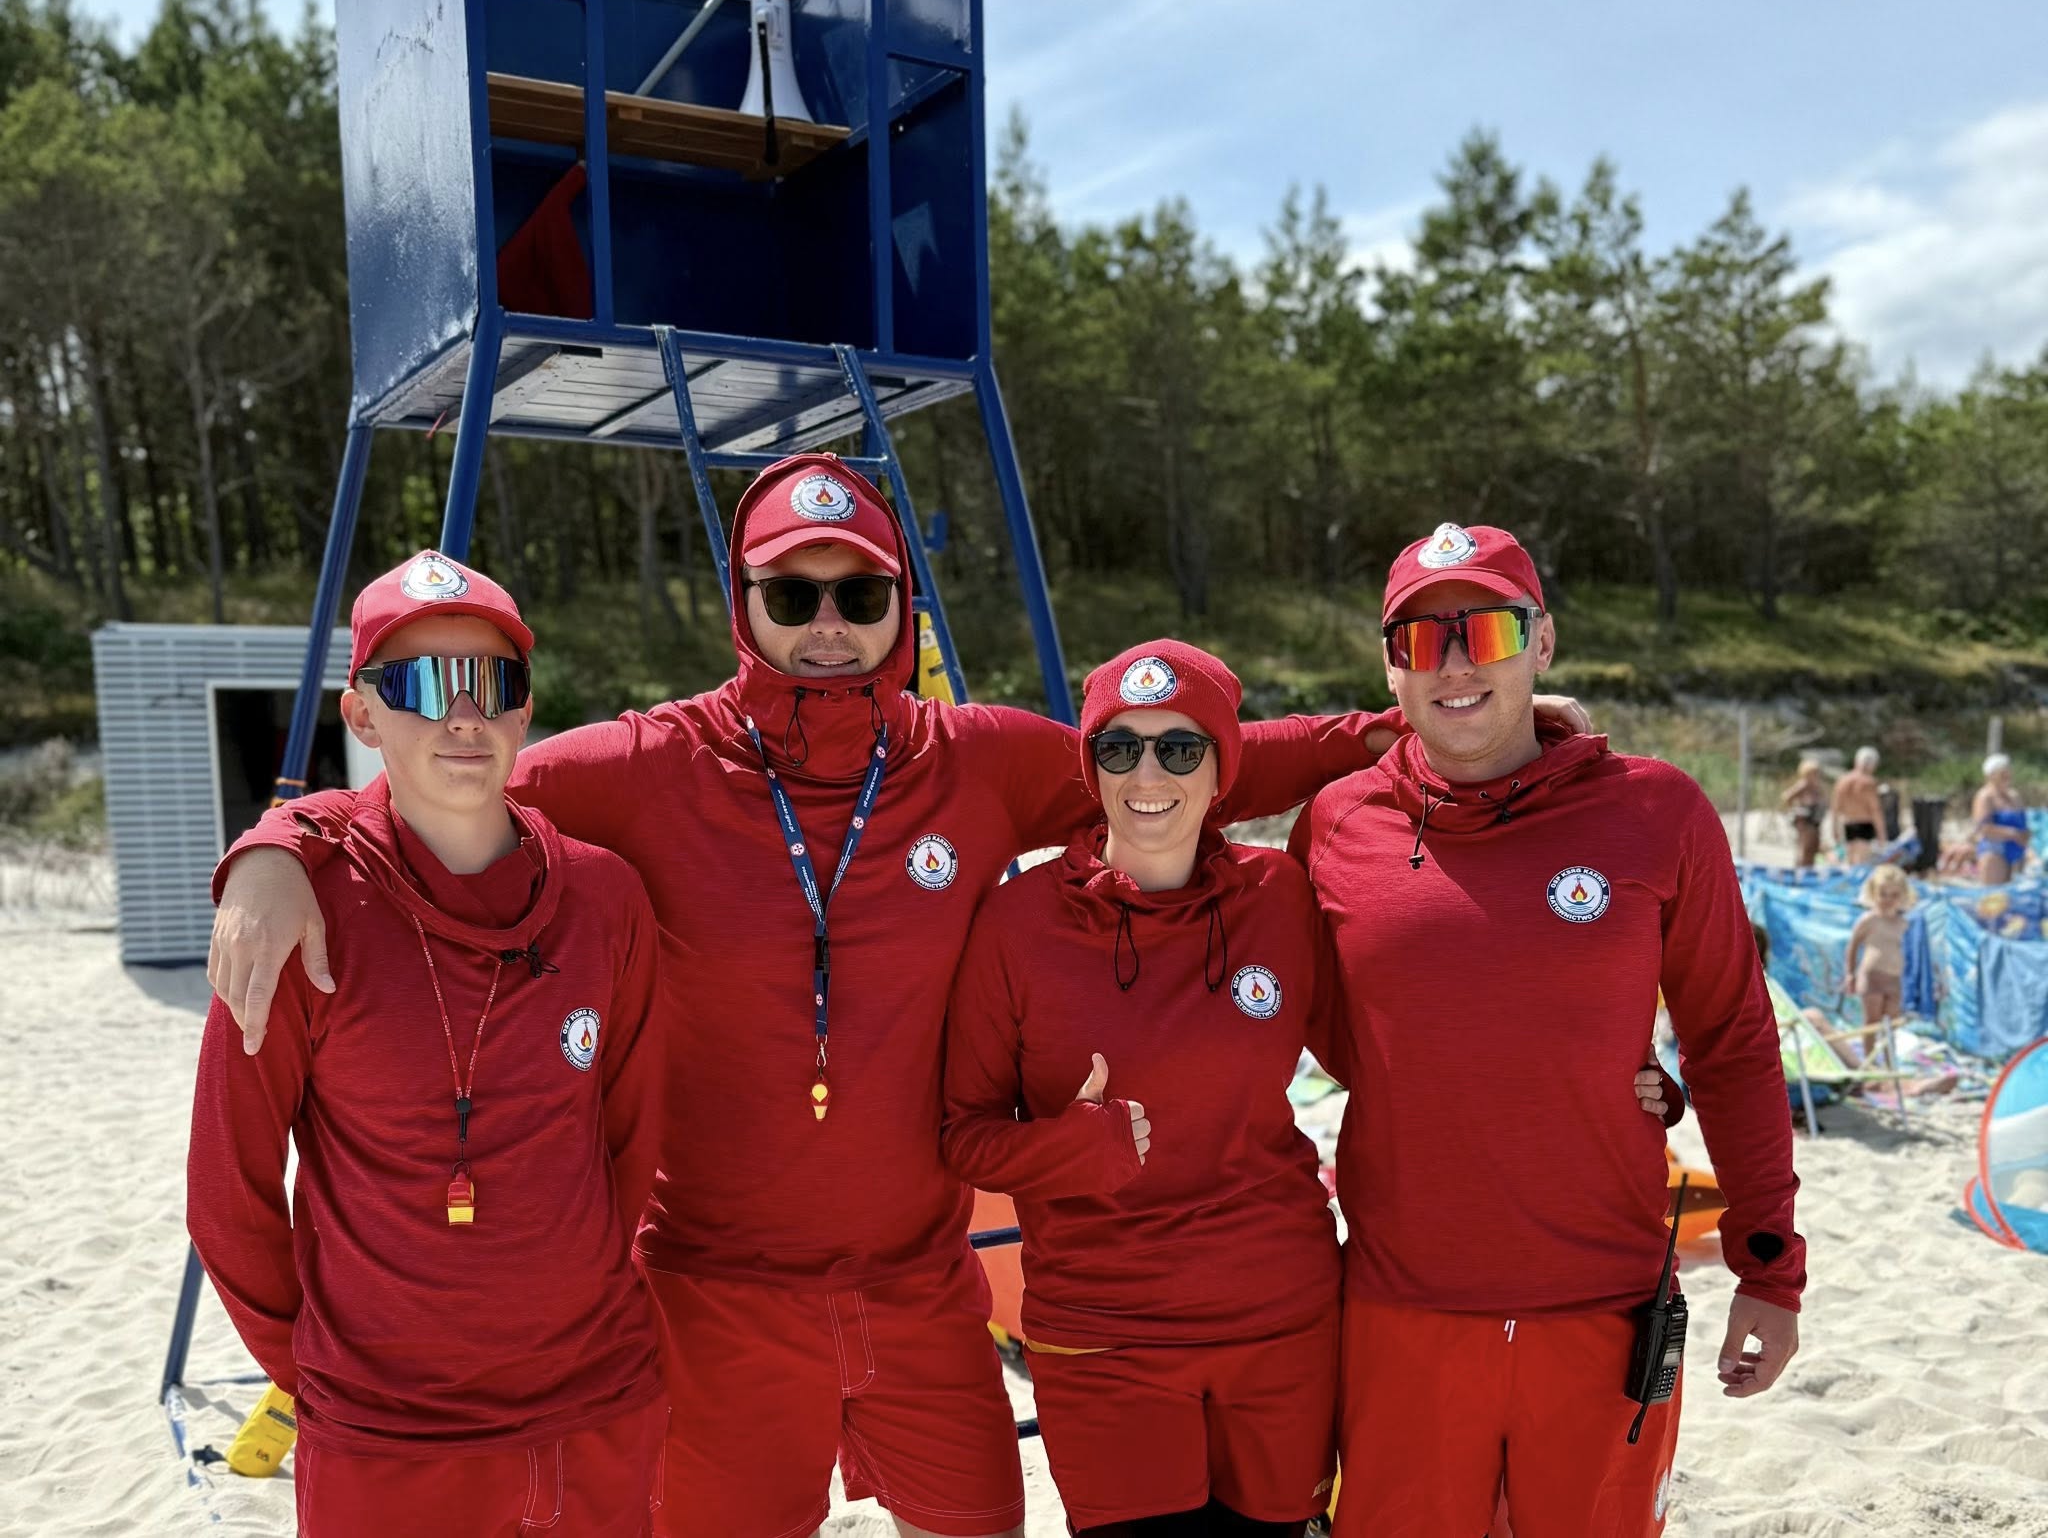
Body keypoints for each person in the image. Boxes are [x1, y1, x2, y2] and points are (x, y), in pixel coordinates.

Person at [210, 460, 1602, 1538]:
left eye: (858, 595)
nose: (827, 626)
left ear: (901, 609)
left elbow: (1188, 757)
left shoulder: (973, 761)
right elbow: (452, 779)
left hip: (922, 1286)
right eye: (793, 595)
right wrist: (282, 838)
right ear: (742, 603)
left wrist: (1413, 724)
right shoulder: (645, 765)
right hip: (714, 1292)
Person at [942, 640, 1676, 1538]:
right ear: (1089, 767)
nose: (1148, 774)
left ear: (1223, 770)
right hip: (1107, 1333)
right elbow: (962, 1136)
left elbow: (1408, 1030)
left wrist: (1617, 1075)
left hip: (1283, 1322)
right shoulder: (1016, 924)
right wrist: (1067, 1149)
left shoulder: (1279, 895)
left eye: (1181, 749)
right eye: (1119, 748)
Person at [1291, 522, 1805, 1538]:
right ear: (1389, 666)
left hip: (1604, 1307)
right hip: (1400, 1311)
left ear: (1543, 641)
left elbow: (1733, 1041)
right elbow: (1336, 1035)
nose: (1452, 664)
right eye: (1418, 640)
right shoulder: (1338, 821)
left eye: (1484, 631)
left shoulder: (1655, 811)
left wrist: (1769, 1268)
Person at [186, 552, 666, 1538]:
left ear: (526, 707)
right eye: (420, 684)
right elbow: (227, 1189)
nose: (464, 715)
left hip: (595, 1404)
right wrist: (321, 1371)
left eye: (493, 681)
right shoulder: (299, 912)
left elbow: (630, 1139)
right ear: (361, 715)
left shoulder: (606, 896)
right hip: (384, 1438)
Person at [1843, 864, 1913, 1056]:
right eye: (1883, 894)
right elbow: (1853, 946)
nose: (1888, 900)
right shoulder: (1869, 920)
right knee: (1872, 1021)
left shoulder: (1904, 924)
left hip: (1895, 979)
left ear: (1903, 896)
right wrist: (1850, 974)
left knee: (1891, 1024)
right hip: (1871, 976)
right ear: (1873, 893)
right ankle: (1869, 1059)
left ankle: (1889, 1060)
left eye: (1894, 895)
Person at [1971, 753, 2029, 885]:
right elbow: (1983, 828)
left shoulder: (2014, 796)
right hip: (1995, 850)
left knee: (2016, 894)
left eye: (2008, 771)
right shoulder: (1985, 797)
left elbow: (2023, 823)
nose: (2007, 775)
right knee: (1995, 894)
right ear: (1991, 775)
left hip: (2017, 849)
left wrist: (2025, 835)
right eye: (2002, 772)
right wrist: (2012, 834)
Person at [1831, 747, 1884, 865]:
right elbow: (1875, 810)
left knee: (1850, 863)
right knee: (1861, 864)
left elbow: (1835, 808)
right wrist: (1882, 835)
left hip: (1847, 824)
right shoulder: (1868, 782)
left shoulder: (1842, 781)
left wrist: (1834, 829)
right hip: (1864, 825)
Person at [1780, 759, 1827, 868]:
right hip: (1805, 819)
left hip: (1815, 819)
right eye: (1813, 773)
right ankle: (1801, 868)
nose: (1815, 776)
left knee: (1814, 846)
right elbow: (1787, 797)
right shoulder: (1804, 784)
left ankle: (1809, 867)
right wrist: (1796, 808)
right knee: (1805, 846)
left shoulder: (1816, 786)